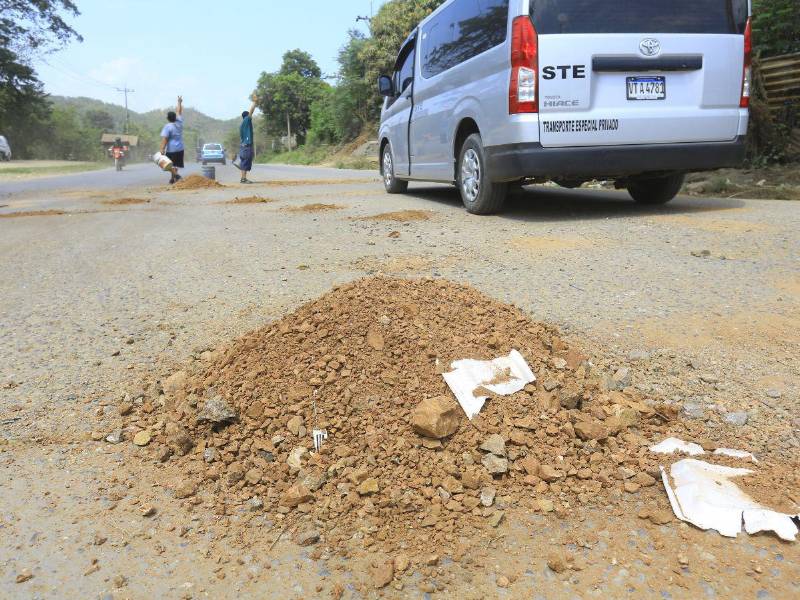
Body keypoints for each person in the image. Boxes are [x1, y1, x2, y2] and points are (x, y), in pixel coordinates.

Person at [233, 93, 258, 184]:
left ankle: (243, 176)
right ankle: (243, 179)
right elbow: (251, 111)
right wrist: (255, 102)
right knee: (246, 162)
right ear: (247, 116)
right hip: (247, 146)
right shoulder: (247, 121)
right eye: (249, 116)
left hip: (244, 146)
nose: (251, 117)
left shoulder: (242, 125)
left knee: (245, 161)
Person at [160, 96, 185, 184]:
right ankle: (173, 179)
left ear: (168, 119)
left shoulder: (168, 127)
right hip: (180, 148)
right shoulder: (180, 122)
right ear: (175, 117)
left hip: (171, 149)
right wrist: (179, 102)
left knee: (168, 164)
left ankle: (176, 175)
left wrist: (162, 149)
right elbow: (179, 111)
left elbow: (165, 139)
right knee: (175, 164)